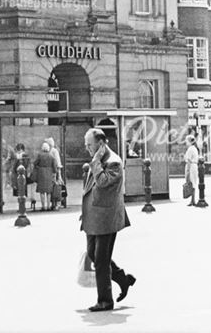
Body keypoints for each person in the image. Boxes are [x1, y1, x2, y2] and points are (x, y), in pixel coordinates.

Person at [80, 127, 135, 312]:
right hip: (93, 216)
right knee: (93, 254)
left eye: (90, 145)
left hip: (107, 217)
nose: (87, 149)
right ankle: (123, 279)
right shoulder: (99, 160)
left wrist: (95, 161)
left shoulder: (113, 163)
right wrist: (85, 211)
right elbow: (90, 187)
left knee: (101, 260)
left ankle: (105, 300)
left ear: (101, 144)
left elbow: (103, 182)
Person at [33, 141, 55, 211]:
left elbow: (35, 163)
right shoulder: (51, 156)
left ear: (42, 148)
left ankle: (43, 206)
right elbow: (54, 166)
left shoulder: (40, 155)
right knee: (49, 191)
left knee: (42, 191)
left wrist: (38, 167)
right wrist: (54, 173)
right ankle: (48, 206)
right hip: (49, 173)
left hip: (41, 174)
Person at [46, 136, 63, 209]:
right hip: (51, 172)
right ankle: (53, 203)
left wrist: (59, 175)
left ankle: (56, 203)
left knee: (55, 188)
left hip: (54, 172)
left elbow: (58, 162)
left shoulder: (54, 151)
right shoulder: (50, 151)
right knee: (52, 188)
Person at [184, 135, 199, 206]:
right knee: (193, 183)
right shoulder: (194, 148)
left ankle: (192, 200)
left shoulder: (190, 149)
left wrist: (187, 171)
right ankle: (193, 200)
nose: (185, 142)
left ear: (190, 142)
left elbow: (189, 160)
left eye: (186, 141)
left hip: (191, 166)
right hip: (195, 166)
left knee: (190, 182)